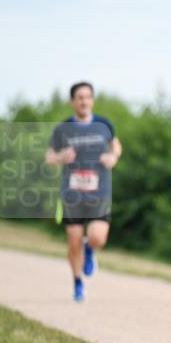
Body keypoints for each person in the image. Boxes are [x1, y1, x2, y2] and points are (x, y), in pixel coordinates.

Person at [44, 81, 122, 302]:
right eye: (79, 97)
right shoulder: (63, 129)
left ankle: (91, 250)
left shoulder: (104, 125)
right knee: (73, 241)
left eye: (88, 96)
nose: (84, 101)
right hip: (72, 194)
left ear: (92, 100)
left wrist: (113, 157)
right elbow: (49, 157)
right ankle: (78, 283)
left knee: (98, 237)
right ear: (72, 101)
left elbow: (116, 145)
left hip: (99, 192)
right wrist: (60, 157)